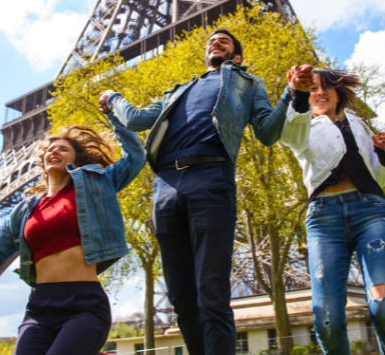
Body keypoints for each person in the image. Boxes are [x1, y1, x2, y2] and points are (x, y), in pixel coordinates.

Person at [99, 28, 312, 355]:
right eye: (211, 41)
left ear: (236, 57)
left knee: (211, 291)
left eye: (224, 41)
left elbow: (268, 133)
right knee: (181, 297)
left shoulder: (247, 84)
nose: (215, 42)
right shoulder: (179, 90)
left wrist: (291, 93)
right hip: (165, 184)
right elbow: (138, 120)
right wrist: (114, 97)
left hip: (211, 176)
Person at [0, 114, 145, 355]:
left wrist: (114, 113)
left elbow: (135, 157)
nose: (54, 151)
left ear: (77, 160)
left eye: (63, 149)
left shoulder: (96, 186)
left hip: (83, 303)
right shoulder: (26, 209)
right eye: (50, 149)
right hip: (40, 306)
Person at [280, 67, 385, 355]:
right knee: (326, 316)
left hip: (370, 211)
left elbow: (380, 177)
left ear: (338, 93)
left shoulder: (359, 125)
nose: (319, 92)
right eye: (312, 89)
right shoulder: (302, 126)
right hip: (324, 219)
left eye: (326, 87)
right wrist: (296, 93)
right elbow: (289, 135)